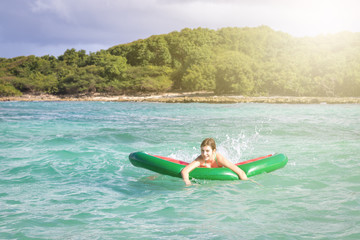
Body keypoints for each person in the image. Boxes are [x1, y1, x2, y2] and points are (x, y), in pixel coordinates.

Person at [181, 138, 249, 186]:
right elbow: (185, 171)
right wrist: (188, 183)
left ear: (213, 151)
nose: (204, 154)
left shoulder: (219, 158)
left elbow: (240, 172)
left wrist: (246, 184)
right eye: (202, 150)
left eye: (207, 151)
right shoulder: (200, 159)